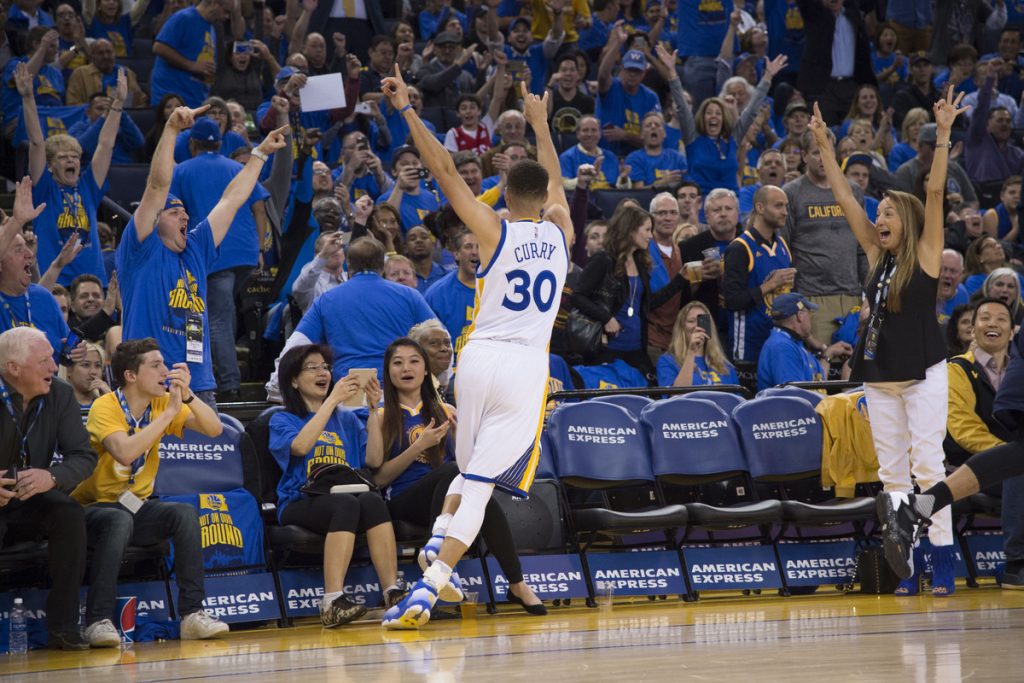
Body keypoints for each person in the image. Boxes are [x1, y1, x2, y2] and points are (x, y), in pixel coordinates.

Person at [379, 69, 573, 629]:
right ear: (545, 198)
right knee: (483, 483)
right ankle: (431, 585)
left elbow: (443, 169)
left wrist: (407, 108)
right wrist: (540, 124)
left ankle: (439, 539)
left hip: (477, 357)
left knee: (468, 470)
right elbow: (555, 185)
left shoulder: (493, 230)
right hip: (525, 365)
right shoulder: (561, 230)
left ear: (506, 195)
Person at [810, 90, 966, 596]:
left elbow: (935, 193)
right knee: (893, 475)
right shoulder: (877, 258)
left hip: (923, 370)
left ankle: (943, 561)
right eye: (878, 213)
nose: (879, 219)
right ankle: (908, 566)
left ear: (909, 222)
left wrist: (943, 136)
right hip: (879, 374)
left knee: (928, 466)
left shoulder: (927, 253)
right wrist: (825, 148)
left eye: (889, 214)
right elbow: (845, 200)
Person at [118, 103, 288, 408]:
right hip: (150, 385)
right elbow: (157, 186)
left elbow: (231, 200)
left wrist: (260, 154)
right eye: (174, 212)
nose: (184, 216)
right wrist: (171, 129)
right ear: (154, 221)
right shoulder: (141, 248)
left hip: (199, 387)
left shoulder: (195, 248)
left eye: (185, 211)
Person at [371, 338, 546, 615]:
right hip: (404, 501)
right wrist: (419, 446)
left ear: (426, 370)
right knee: (457, 475)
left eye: (414, 361)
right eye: (398, 362)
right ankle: (447, 562)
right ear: (388, 371)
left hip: (448, 497)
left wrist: (457, 435)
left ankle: (515, 583)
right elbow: (379, 479)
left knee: (476, 489)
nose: (406, 368)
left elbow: (471, 465)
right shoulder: (381, 416)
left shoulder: (447, 412)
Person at [73, 338, 227, 645]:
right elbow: (125, 453)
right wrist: (169, 414)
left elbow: (215, 429)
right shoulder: (105, 406)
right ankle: (97, 620)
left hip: (135, 507)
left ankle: (192, 614)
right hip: (91, 508)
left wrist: (188, 395)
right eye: (156, 365)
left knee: (183, 513)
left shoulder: (160, 404)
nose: (165, 371)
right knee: (117, 519)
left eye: (164, 364)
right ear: (131, 375)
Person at [878, 321, 1024, 591]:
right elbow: (965, 431)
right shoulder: (959, 368)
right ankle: (918, 508)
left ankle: (918, 508)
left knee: (1018, 456)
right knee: (1018, 456)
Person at [269, 343, 401, 626]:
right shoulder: (282, 419)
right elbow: (300, 447)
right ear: (293, 380)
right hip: (300, 500)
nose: (323, 373)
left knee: (372, 500)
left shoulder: (347, 419)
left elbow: (374, 459)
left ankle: (391, 592)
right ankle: (332, 601)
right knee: (345, 504)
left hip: (346, 495)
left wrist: (373, 410)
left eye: (326, 367)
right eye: (312, 368)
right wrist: (331, 402)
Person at [0, 327, 96, 650]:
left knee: (67, 513)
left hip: (30, 498)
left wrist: (52, 478)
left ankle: (64, 627)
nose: (55, 367)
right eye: (44, 361)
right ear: (13, 367)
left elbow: (83, 456)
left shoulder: (60, 394)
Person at [170, 116, 271, 402]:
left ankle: (229, 384)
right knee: (223, 313)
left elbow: (172, 211)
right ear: (220, 143)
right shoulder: (236, 167)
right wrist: (260, 248)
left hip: (213, 254)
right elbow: (260, 207)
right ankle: (224, 373)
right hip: (246, 252)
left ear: (192, 143)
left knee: (215, 319)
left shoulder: (183, 170)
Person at [266, 237, 436, 399]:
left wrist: (275, 389)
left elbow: (295, 347)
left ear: (349, 265)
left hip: (351, 397)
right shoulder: (410, 296)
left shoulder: (326, 300)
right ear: (382, 267)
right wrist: (439, 383)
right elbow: (440, 340)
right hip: (400, 395)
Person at [18, 62, 125, 286]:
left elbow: (105, 144)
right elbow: (37, 143)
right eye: (63, 157)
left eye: (75, 156)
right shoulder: (45, 188)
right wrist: (28, 97)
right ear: (50, 166)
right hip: (55, 282)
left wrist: (118, 105)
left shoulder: (88, 186)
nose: (71, 160)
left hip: (93, 281)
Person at [572, 204, 690, 375]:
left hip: (636, 349)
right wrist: (606, 318)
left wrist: (680, 279)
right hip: (607, 349)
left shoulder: (641, 263)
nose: (651, 235)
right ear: (631, 230)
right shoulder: (603, 260)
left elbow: (648, 303)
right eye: (647, 230)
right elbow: (578, 296)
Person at [782, 128, 868, 345]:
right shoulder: (791, 193)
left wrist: (868, 293)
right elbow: (784, 247)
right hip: (812, 296)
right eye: (816, 152)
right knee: (822, 362)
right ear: (804, 156)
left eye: (827, 151)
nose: (823, 158)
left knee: (855, 362)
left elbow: (862, 247)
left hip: (852, 295)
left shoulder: (853, 191)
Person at [723, 185, 795, 363]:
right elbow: (733, 301)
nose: (785, 212)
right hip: (749, 346)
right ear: (760, 208)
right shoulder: (739, 248)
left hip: (780, 343)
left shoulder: (782, 245)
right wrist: (771, 285)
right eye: (778, 206)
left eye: (786, 206)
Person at [756, 292, 852, 391]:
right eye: (809, 312)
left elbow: (817, 382)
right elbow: (794, 396)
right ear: (800, 316)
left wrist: (828, 354)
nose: (811, 317)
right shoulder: (782, 347)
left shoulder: (792, 342)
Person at [150, 0, 231, 107]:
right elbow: (159, 47)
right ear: (214, 3)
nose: (227, 17)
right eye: (226, 11)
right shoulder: (184, 17)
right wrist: (191, 65)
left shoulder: (211, 27)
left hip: (195, 99)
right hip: (172, 99)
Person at [424, 230, 479, 364]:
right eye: (468, 247)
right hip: (450, 368)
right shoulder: (436, 294)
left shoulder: (497, 288)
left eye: (479, 247)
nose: (475, 252)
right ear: (456, 254)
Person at [656, 301, 738, 387]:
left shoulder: (725, 365)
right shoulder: (667, 361)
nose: (697, 326)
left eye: (702, 320)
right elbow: (677, 394)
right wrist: (691, 352)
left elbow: (736, 395)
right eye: (691, 321)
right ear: (681, 328)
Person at [64, 39, 147, 107]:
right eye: (100, 53)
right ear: (92, 56)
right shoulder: (80, 73)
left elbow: (140, 101)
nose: (106, 56)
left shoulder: (126, 72)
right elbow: (72, 104)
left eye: (109, 52)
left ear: (114, 54)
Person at [292, 231, 346, 313]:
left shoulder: (353, 279)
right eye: (328, 246)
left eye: (338, 246)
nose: (334, 250)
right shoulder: (312, 286)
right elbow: (298, 288)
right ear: (316, 256)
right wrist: (324, 254)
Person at [59, 341, 109, 409]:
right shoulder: (57, 405)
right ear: (69, 370)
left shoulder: (106, 402)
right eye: (86, 365)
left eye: (98, 365)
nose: (93, 372)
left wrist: (110, 398)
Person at [937, 249, 970, 325]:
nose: (947, 275)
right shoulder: (922, 293)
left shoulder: (963, 296)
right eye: (942, 270)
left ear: (961, 274)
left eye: (953, 271)